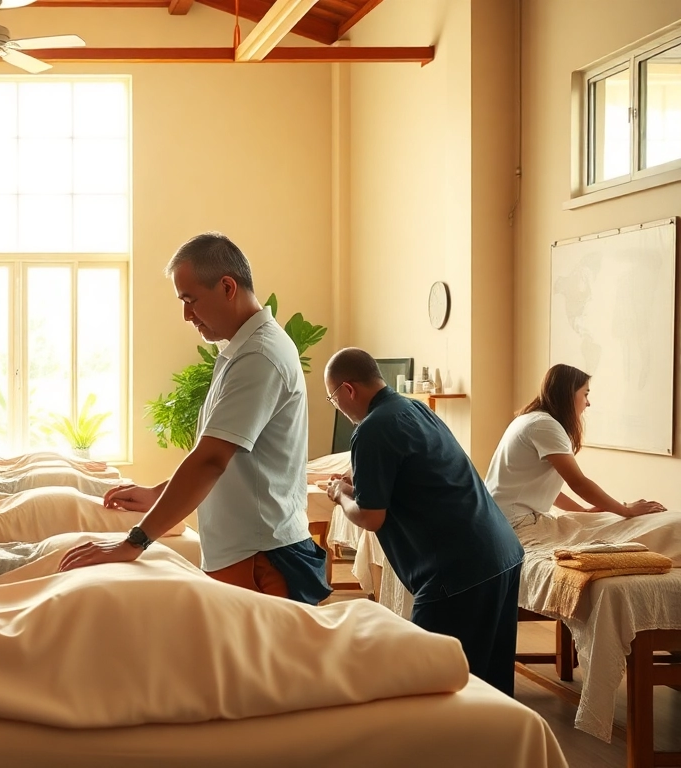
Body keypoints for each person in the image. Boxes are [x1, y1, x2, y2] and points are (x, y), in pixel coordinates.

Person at [58, 232, 331, 607]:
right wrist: (159, 493)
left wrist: (133, 542)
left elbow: (211, 460)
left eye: (190, 300)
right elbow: (228, 458)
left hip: (262, 558)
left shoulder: (259, 356)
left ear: (227, 287)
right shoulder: (239, 352)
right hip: (247, 553)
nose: (186, 315)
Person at [321, 347, 524, 696]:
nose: (337, 407)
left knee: (432, 685)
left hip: (458, 570)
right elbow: (417, 479)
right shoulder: (412, 408)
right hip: (500, 552)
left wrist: (340, 494)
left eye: (332, 399)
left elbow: (369, 517)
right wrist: (362, 487)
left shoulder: (371, 429)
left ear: (348, 390)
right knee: (490, 688)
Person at [485, 363, 666, 528]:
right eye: (585, 394)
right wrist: (626, 510)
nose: (588, 403)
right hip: (514, 522)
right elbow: (578, 483)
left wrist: (583, 511)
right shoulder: (544, 425)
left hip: (502, 516)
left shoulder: (531, 419)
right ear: (569, 394)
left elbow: (542, 489)